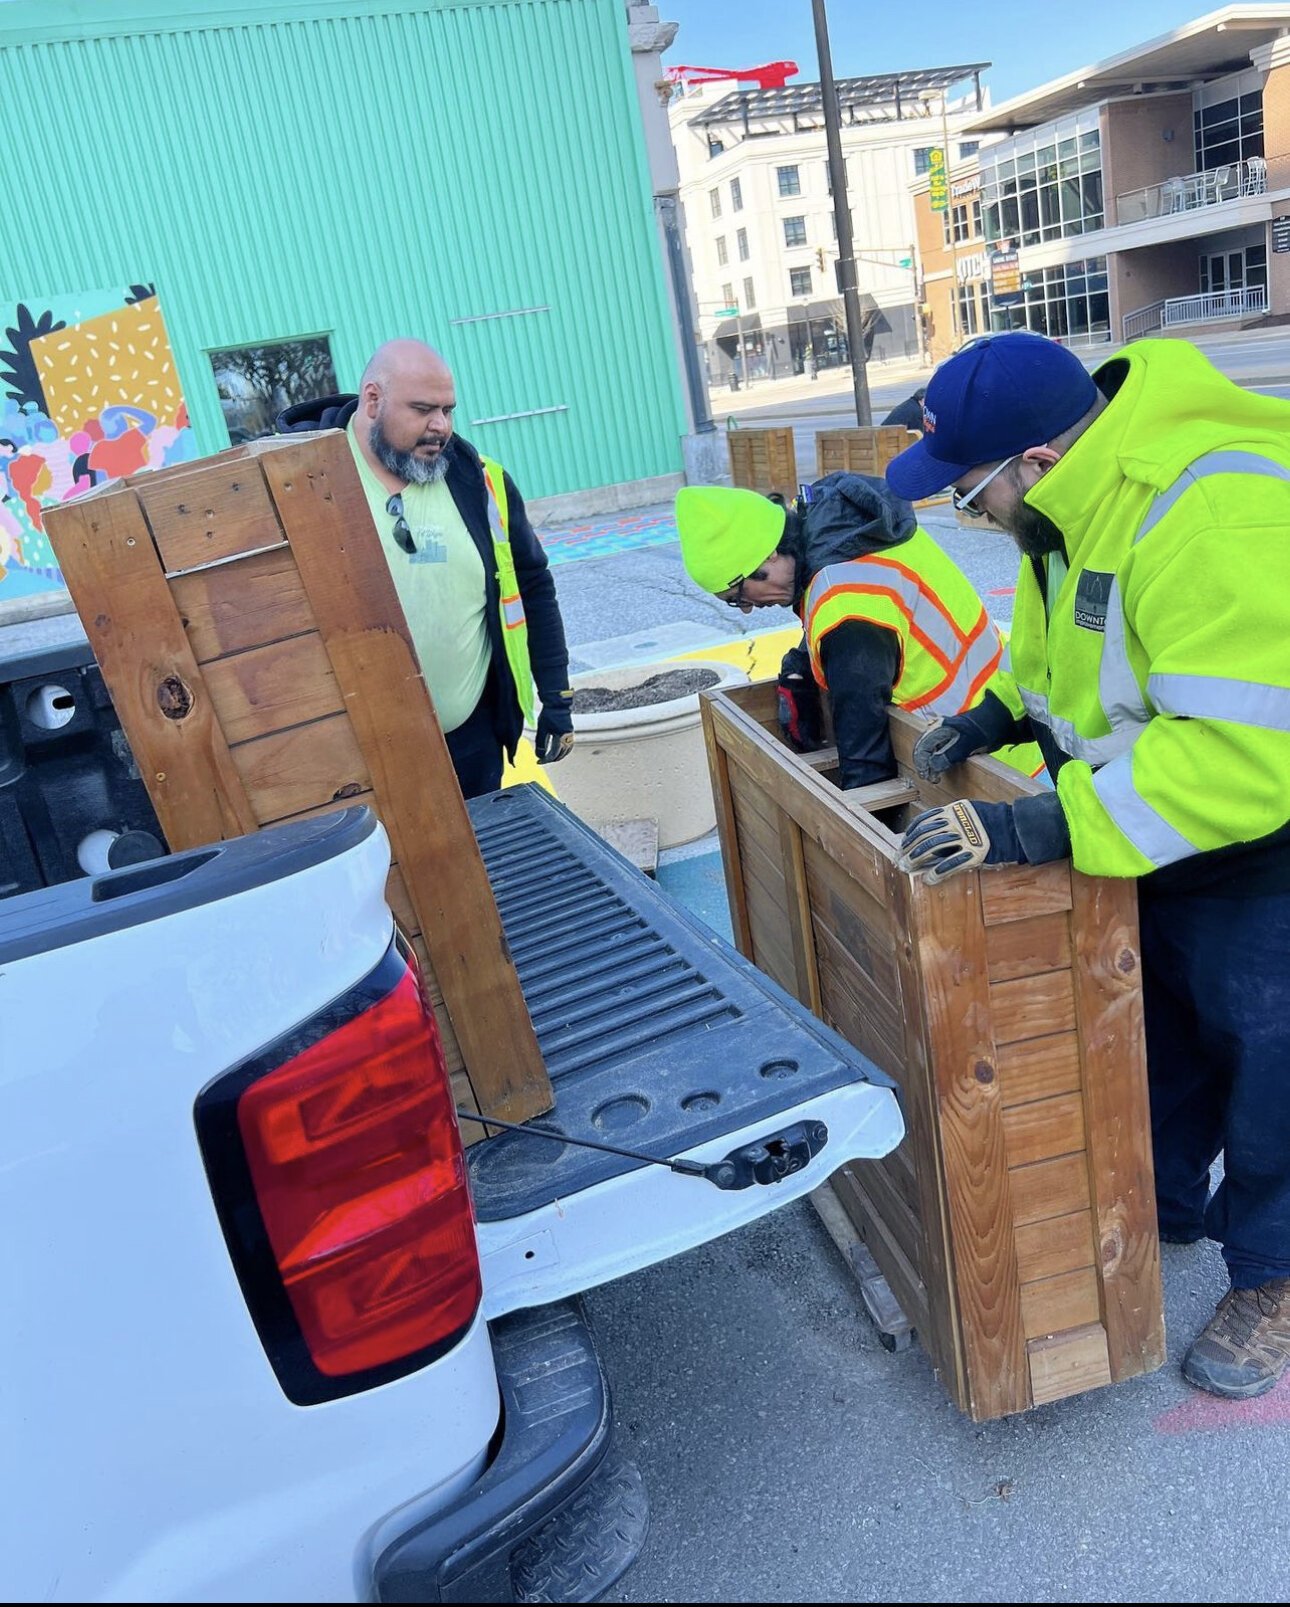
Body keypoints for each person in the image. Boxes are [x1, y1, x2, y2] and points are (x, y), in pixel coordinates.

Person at [885, 330, 1290, 1401]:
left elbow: (1246, 745)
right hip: (1158, 841)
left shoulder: (1203, 511)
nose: (966, 514)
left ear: (1037, 460)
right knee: (1164, 1040)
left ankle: (1274, 1276)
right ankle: (1160, 1203)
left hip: (1261, 846)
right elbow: (1068, 670)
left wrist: (1038, 828)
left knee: (1268, 1063)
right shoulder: (1067, 518)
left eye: (968, 494)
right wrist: (993, 718)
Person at [277, 340, 574, 798]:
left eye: (448, 410)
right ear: (373, 401)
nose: (441, 427)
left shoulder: (481, 481)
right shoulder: (297, 482)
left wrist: (556, 696)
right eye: (422, 410)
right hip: (354, 761)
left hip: (473, 744)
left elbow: (533, 584)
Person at [673, 475, 1039, 792]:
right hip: (1001, 722)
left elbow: (865, 757)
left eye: (738, 596)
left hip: (993, 765)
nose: (748, 608)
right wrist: (799, 666)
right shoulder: (838, 528)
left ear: (767, 557)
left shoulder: (848, 610)